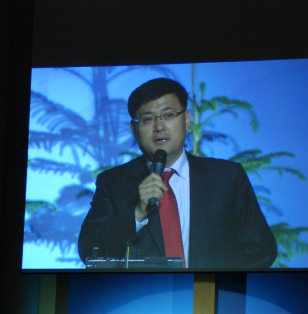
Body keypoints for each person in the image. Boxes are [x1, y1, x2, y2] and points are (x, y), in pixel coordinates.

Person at [78, 77, 277, 270]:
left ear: (186, 120)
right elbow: (89, 252)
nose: (159, 127)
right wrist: (136, 213)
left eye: (169, 115)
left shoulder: (227, 177)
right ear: (134, 129)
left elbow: (261, 251)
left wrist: (211, 281)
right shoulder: (113, 183)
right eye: (148, 119)